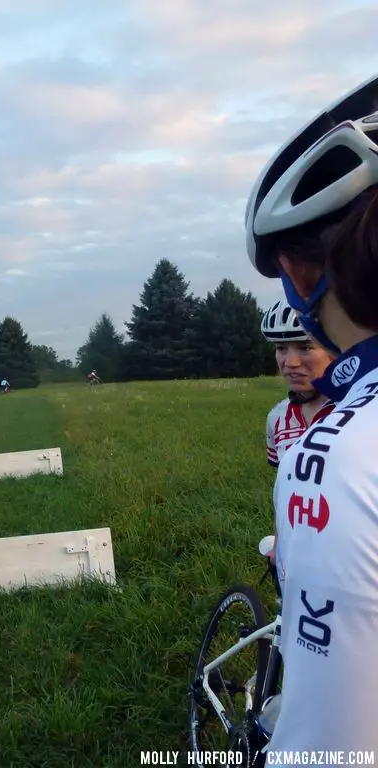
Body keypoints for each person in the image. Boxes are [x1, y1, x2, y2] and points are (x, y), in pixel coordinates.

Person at [244, 72, 378, 757]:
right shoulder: (286, 428)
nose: (294, 360)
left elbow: (327, 752)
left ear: (299, 276)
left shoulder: (336, 456)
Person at [260, 296, 337, 469]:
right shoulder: (277, 417)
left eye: (305, 348)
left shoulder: (364, 411)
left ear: (333, 349)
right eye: (281, 348)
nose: (290, 362)